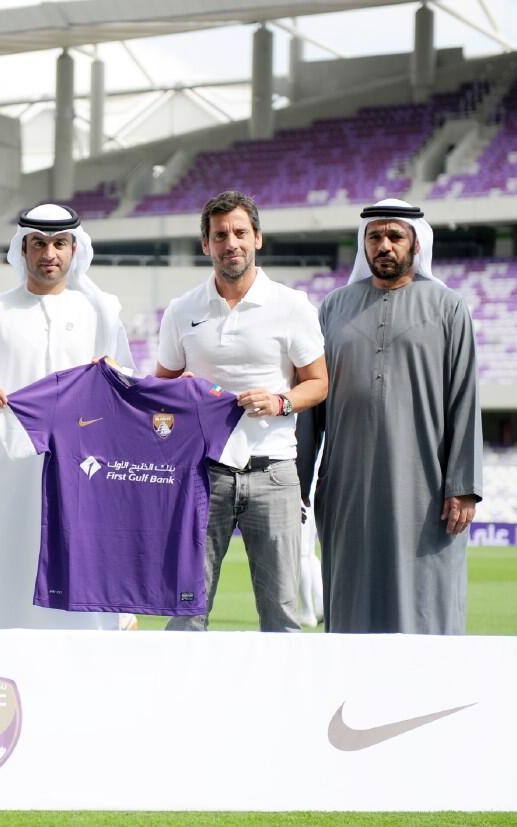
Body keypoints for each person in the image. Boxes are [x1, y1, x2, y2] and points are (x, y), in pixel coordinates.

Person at [296, 199, 482, 634]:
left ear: (416, 244)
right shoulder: (333, 309)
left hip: (426, 490)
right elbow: (311, 404)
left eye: (395, 236)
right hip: (347, 486)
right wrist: (297, 483)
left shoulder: (448, 308)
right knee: (351, 596)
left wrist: (463, 487)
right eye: (375, 236)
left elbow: (465, 399)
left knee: (425, 600)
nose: (384, 245)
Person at [0, 203, 134, 629]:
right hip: (12, 473)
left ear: (74, 249)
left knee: (82, 563)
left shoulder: (99, 313)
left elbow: (127, 377)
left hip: (84, 470)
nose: (49, 253)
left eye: (59, 243)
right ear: (22, 249)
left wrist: (111, 374)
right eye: (39, 244)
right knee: (9, 566)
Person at [155, 190, 327, 632]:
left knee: (282, 616)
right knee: (186, 613)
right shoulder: (182, 310)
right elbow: (161, 390)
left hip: (274, 474)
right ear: (205, 245)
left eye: (239, 233)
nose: (230, 243)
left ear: (257, 238)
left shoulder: (292, 306)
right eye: (220, 235)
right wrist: (173, 392)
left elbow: (319, 383)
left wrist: (280, 401)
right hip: (202, 475)